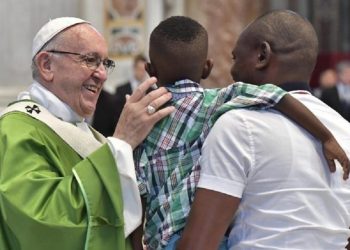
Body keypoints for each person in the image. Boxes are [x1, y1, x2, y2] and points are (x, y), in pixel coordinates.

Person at [132, 16, 350, 250]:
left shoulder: (236, 123)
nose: (231, 70)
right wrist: (326, 137)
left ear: (261, 56)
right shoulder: (344, 130)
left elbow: (197, 244)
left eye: (235, 58)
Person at [0, 17, 174, 250]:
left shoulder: (85, 132)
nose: (102, 74)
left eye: (105, 63)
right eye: (90, 60)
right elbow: (43, 223)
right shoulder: (16, 131)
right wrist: (122, 141)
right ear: (46, 65)